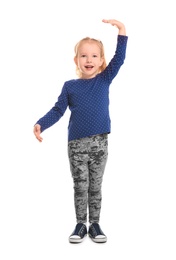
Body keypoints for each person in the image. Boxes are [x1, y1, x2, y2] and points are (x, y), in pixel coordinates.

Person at [33, 19, 128, 243]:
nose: (89, 60)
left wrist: (122, 31)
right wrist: (41, 124)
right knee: (80, 186)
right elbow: (58, 110)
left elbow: (120, 58)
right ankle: (80, 225)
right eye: (84, 55)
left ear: (102, 60)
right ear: (76, 59)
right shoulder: (70, 86)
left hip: (100, 143)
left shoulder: (105, 79)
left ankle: (95, 224)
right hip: (76, 145)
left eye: (94, 55)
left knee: (96, 185)